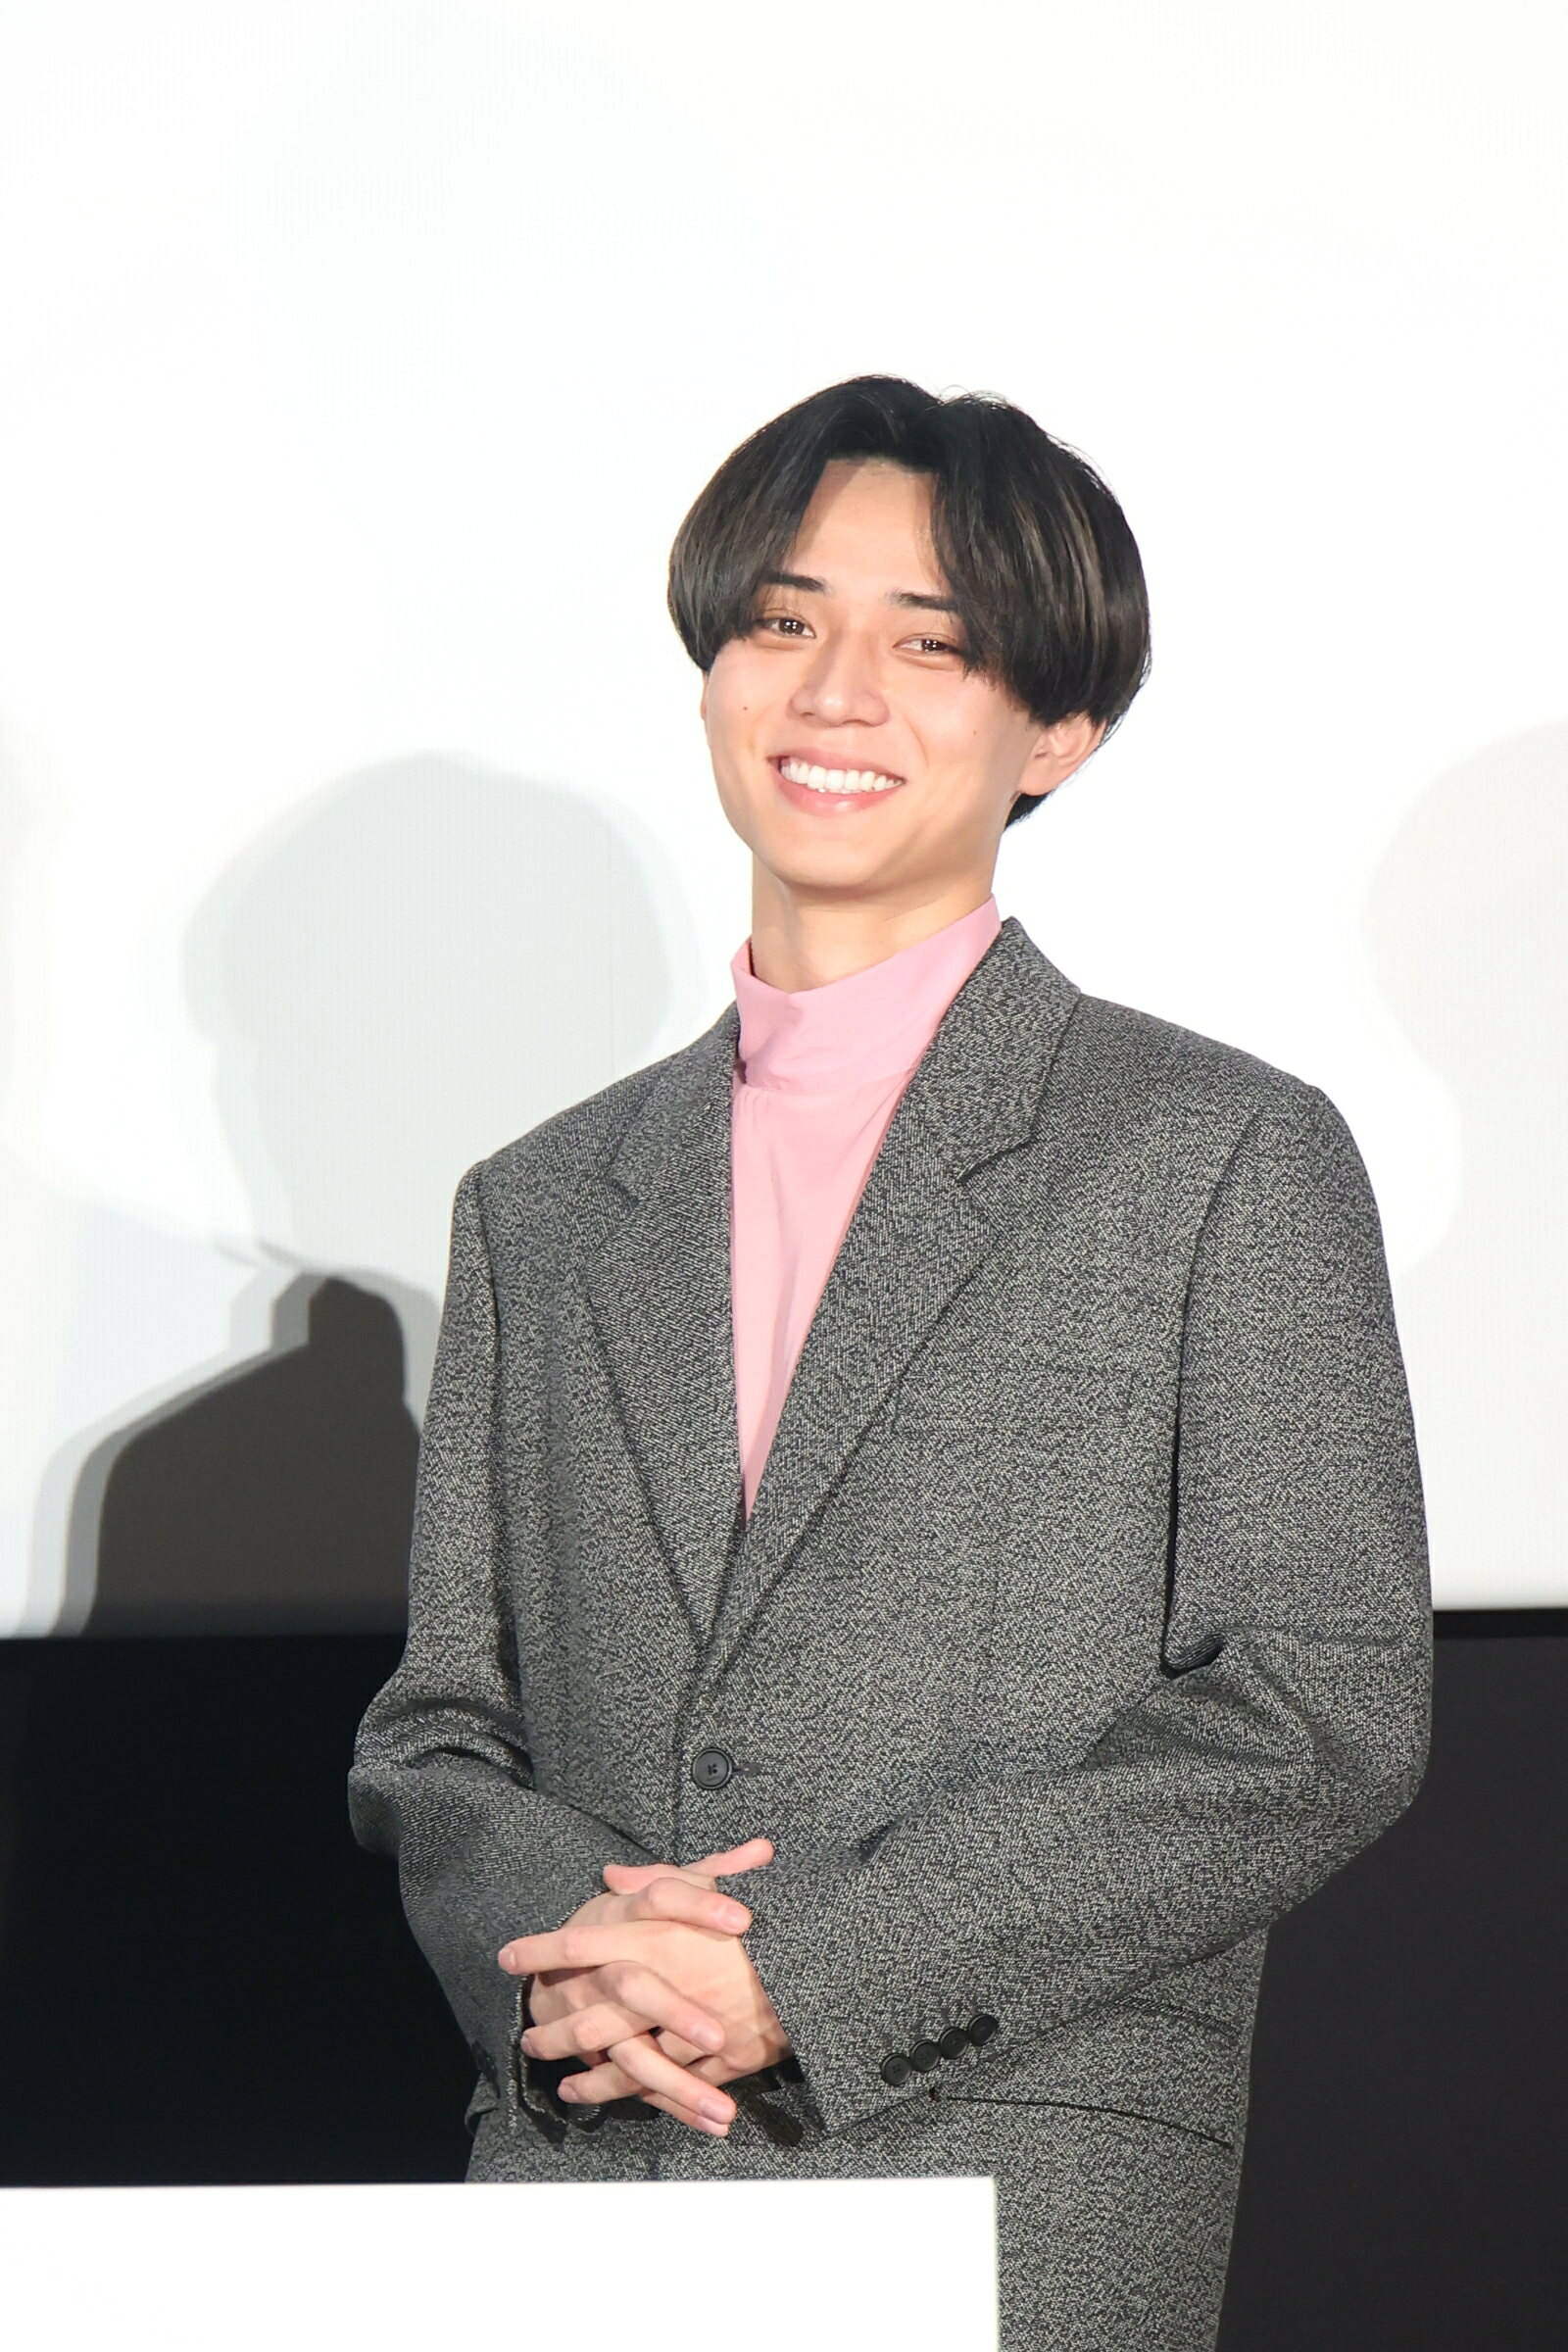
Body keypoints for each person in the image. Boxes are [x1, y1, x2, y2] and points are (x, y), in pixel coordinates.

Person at [348, 375, 1432, 2348]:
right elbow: (438, 1731)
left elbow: (1310, 1710)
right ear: (712, 671)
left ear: (1057, 729)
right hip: (588, 2177)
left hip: (1005, 2180)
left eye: (932, 645)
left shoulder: (1215, 1155)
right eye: (783, 622)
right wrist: (567, 1950)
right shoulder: (539, 1201)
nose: (834, 692)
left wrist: (813, 1971)